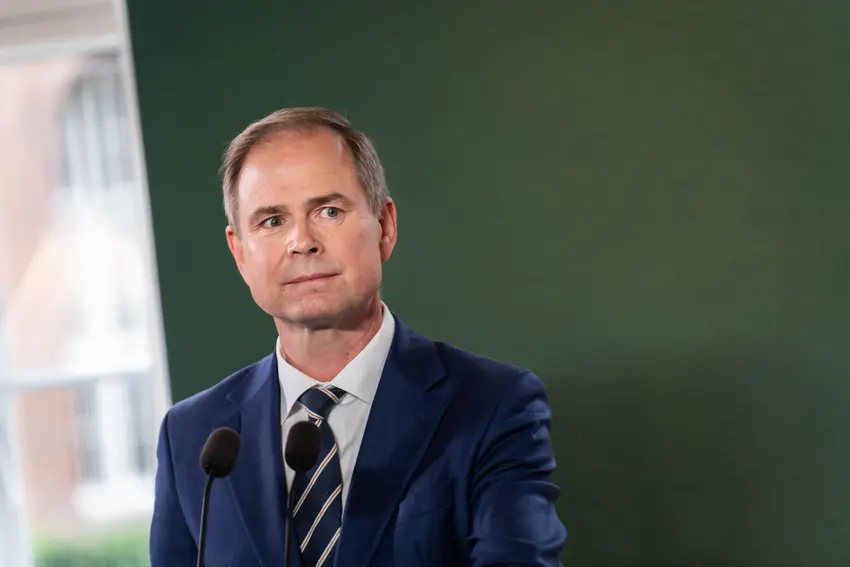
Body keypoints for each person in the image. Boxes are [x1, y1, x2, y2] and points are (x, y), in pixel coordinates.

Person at [149, 107, 566, 567]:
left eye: (328, 211)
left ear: (385, 226)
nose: (302, 242)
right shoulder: (191, 437)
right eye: (272, 221)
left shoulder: (493, 404)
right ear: (239, 252)